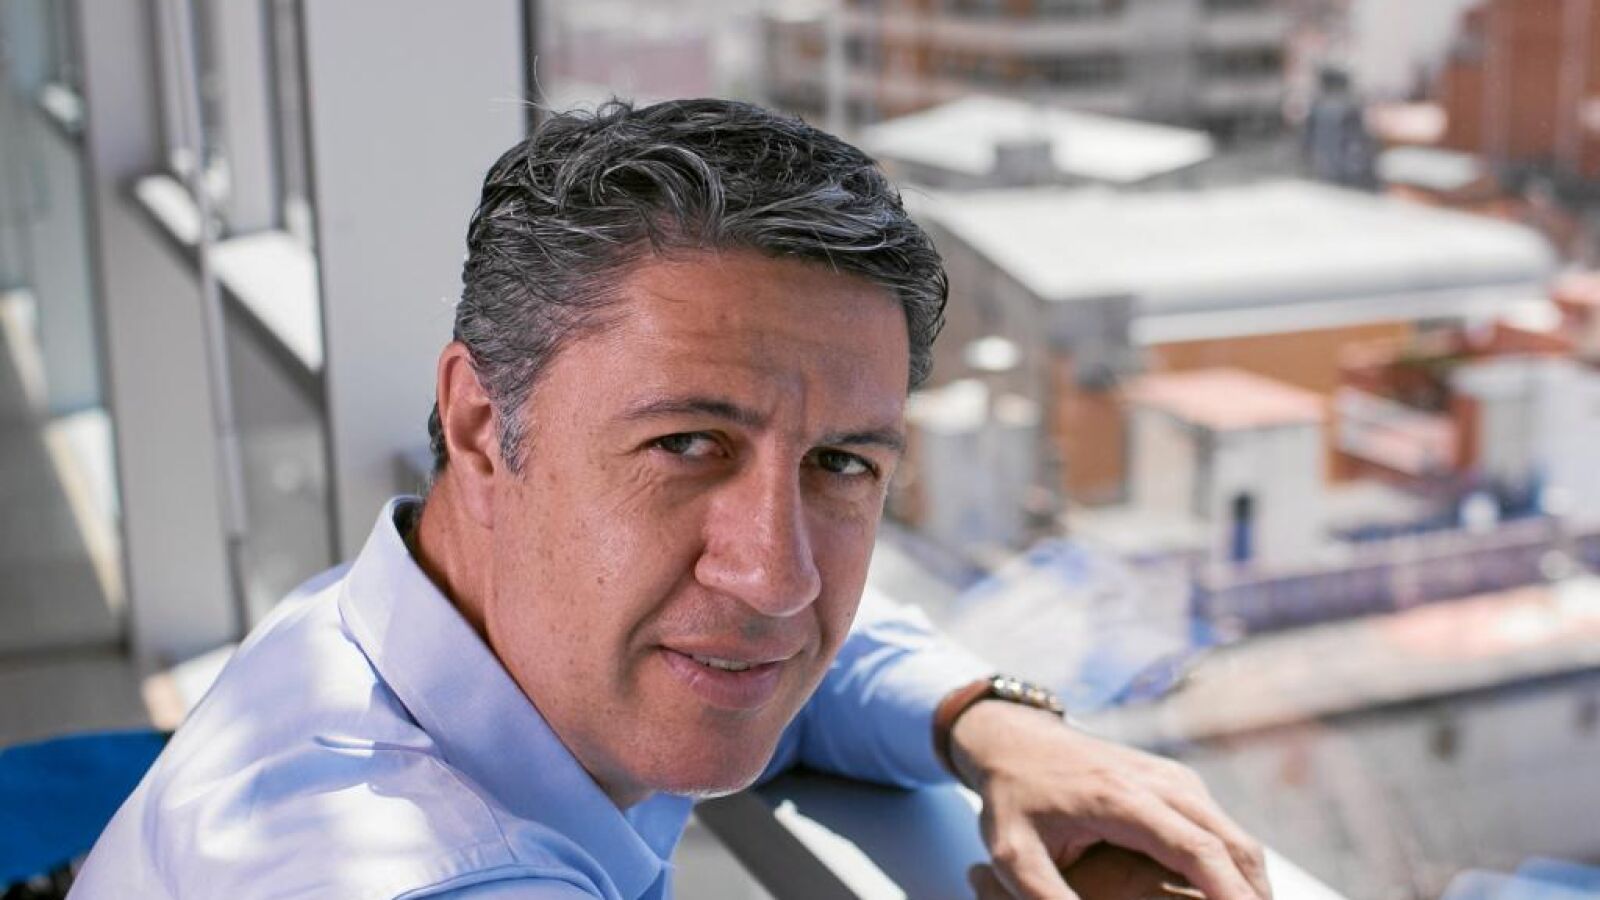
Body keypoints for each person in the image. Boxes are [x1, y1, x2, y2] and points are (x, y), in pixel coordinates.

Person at [70, 99, 1268, 900]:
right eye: (688, 444)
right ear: (482, 423)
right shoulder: (409, 867)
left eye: (841, 464)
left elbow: (797, 658)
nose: (776, 574)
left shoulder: (431, 623)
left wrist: (994, 724)